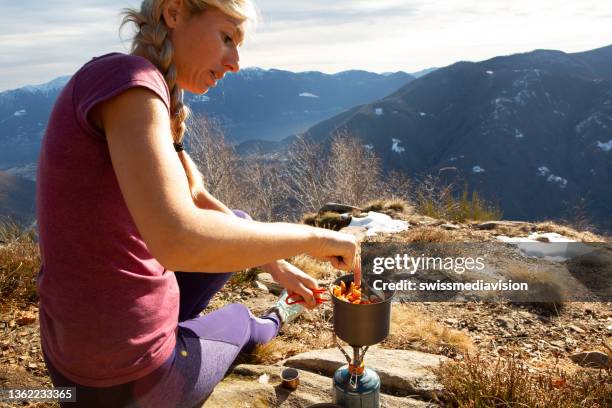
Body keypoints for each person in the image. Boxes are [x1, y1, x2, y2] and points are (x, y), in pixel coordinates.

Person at [35, 0, 361, 407]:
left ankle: (175, 325)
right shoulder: (131, 82)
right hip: (126, 383)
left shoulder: (126, 83)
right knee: (241, 319)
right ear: (173, 12)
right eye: (227, 38)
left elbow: (197, 199)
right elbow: (178, 240)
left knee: (235, 221)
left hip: (73, 356)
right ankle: (276, 316)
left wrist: (279, 266)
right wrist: (314, 239)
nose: (236, 62)